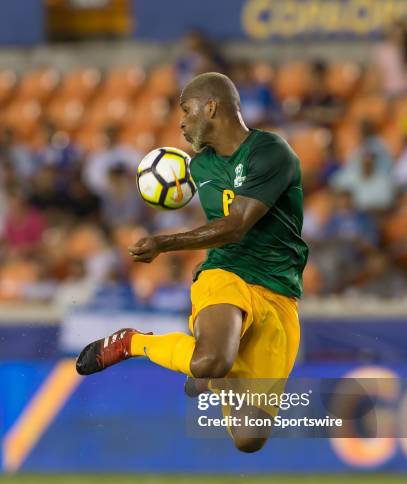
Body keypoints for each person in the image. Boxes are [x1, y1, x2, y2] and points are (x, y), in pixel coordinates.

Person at [76, 72, 308, 453]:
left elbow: (236, 225)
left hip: (280, 291)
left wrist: (164, 243)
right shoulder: (195, 169)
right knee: (207, 361)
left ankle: (215, 379)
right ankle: (134, 343)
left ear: (212, 107)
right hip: (226, 274)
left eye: (186, 110)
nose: (181, 122)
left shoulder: (270, 152)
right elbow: (224, 237)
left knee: (250, 438)